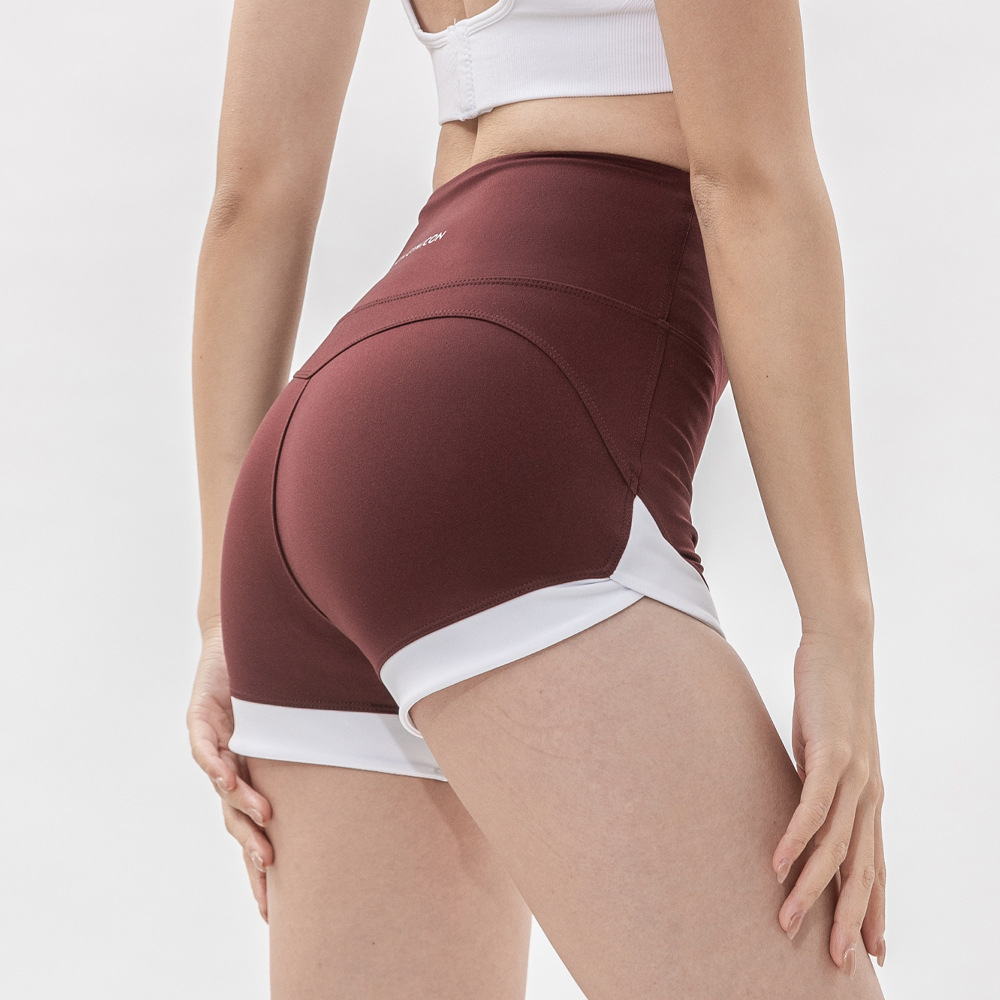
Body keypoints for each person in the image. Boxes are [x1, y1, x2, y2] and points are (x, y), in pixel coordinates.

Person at [187, 0, 887, 995]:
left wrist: (223, 611)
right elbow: (750, 180)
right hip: (511, 428)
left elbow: (251, 203)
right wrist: (837, 631)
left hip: (316, 457)